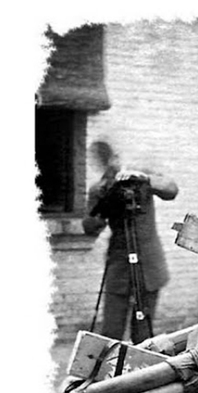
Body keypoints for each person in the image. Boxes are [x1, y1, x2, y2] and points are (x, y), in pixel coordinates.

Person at [82, 141, 179, 343]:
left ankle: (142, 362)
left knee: (143, 334)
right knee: (111, 332)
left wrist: (145, 179)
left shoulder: (140, 181)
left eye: (114, 159)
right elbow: (89, 227)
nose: (112, 165)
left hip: (149, 266)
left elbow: (171, 190)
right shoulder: (99, 189)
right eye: (105, 162)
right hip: (119, 266)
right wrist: (104, 204)